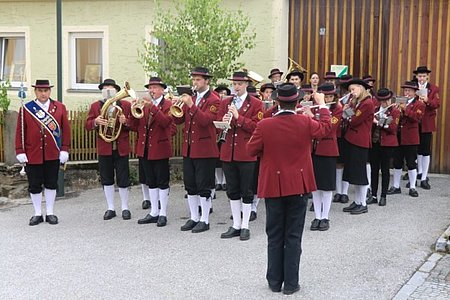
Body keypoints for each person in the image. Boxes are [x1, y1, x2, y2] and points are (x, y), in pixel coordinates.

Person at [247, 83, 331, 295]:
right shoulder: (305, 122)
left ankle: (274, 282)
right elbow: (326, 130)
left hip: (274, 186)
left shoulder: (265, 124)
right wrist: (321, 106)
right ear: (298, 101)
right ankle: (291, 284)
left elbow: (250, 150)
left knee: (274, 235)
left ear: (276, 102)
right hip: (298, 185)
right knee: (293, 236)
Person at [15, 79, 71, 226]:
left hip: (53, 153)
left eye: (46, 90)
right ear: (35, 92)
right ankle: (37, 213)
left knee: (51, 183)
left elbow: (66, 130)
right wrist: (20, 150)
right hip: (33, 153)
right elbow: (20, 132)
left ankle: (50, 212)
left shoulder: (59, 108)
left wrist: (64, 148)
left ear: (50, 91)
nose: (43, 93)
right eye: (40, 90)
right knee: (34, 184)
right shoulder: (26, 108)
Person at [173, 67, 220, 233]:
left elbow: (206, 121)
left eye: (198, 80)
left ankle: (205, 219)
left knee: (204, 185)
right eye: (193, 80)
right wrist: (175, 108)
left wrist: (191, 105)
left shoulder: (214, 100)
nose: (195, 82)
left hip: (205, 150)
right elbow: (178, 121)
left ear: (207, 81)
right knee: (190, 185)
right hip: (189, 148)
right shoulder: (190, 98)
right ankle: (193, 217)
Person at [218, 71, 263, 241]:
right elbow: (217, 124)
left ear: (246, 85)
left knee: (246, 190)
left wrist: (238, 117)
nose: (236, 87)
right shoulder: (225, 102)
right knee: (232, 190)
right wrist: (223, 121)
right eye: (234, 84)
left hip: (246, 152)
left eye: (239, 84)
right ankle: (236, 224)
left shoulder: (256, 103)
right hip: (228, 152)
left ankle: (245, 225)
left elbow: (257, 127)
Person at [85, 79, 132, 220]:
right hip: (104, 147)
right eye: (105, 88)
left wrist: (126, 121)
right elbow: (87, 125)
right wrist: (95, 122)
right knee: (107, 178)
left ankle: (125, 207)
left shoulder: (125, 105)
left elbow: (134, 124)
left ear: (116, 91)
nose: (107, 90)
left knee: (123, 178)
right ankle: (110, 207)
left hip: (121, 147)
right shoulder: (95, 106)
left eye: (110, 88)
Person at [131, 77, 174, 227]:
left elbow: (166, 122)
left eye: (155, 88)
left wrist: (152, 107)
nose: (152, 90)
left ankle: (163, 213)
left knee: (162, 181)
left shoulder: (169, 104)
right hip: (145, 148)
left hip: (161, 148)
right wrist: (131, 113)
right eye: (150, 88)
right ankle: (154, 212)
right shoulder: (144, 105)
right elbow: (135, 125)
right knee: (151, 181)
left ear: (162, 90)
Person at [306, 83, 342, 231]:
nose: (327, 99)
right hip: (314, 150)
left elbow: (327, 129)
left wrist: (312, 116)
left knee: (326, 187)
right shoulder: (316, 109)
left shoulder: (337, 110)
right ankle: (317, 216)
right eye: (325, 96)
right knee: (315, 187)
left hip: (328, 150)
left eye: (330, 96)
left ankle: (325, 217)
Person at [341, 78, 375, 215]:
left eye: (353, 90)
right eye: (350, 90)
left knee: (360, 174)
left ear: (361, 88)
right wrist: (348, 110)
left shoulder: (367, 103)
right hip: (352, 139)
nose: (352, 93)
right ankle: (357, 201)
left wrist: (347, 112)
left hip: (359, 141)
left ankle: (363, 203)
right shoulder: (358, 102)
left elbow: (354, 120)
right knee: (354, 173)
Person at [388, 81, 425, 197]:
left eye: (409, 91)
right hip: (399, 136)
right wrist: (395, 110)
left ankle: (413, 187)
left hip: (411, 138)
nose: (406, 93)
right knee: (397, 162)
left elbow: (417, 118)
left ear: (415, 92)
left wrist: (405, 109)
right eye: (405, 90)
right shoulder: (400, 102)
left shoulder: (420, 104)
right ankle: (396, 186)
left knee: (411, 162)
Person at [367, 88, 400, 206]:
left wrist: (378, 122)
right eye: (382, 101)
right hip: (375, 143)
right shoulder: (375, 110)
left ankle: (383, 196)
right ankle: (374, 195)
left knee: (385, 170)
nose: (385, 103)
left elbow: (392, 129)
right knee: (374, 170)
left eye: (387, 100)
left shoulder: (394, 111)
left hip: (387, 144)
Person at [413, 66, 440, 189]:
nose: (422, 78)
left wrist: (427, 100)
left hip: (427, 123)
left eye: (424, 76)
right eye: (420, 76)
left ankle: (424, 177)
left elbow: (436, 104)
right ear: (416, 77)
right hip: (414, 122)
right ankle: (418, 173)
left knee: (425, 150)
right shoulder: (413, 86)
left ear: (427, 76)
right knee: (416, 149)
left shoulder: (433, 88)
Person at [213, 85, 231, 191]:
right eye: (220, 93)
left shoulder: (229, 104)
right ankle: (218, 181)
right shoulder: (215, 104)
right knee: (216, 160)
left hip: (226, 133)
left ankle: (224, 181)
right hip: (216, 133)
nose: (222, 95)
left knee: (224, 159)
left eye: (224, 93)